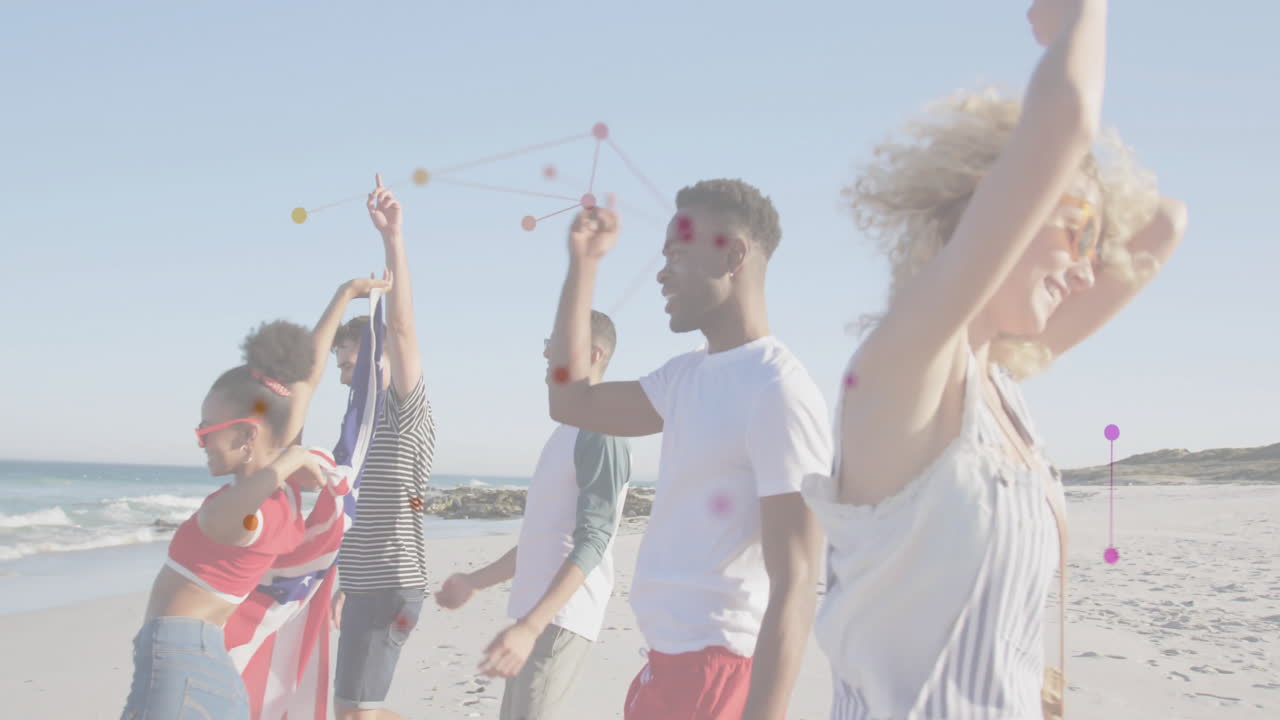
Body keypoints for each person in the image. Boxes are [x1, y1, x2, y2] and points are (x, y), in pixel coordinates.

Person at [800, 2, 1187, 718]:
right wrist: (1082, 14)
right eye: (1077, 237)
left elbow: (1166, 224)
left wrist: (1090, 208)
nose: (1087, 270)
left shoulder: (1000, 387)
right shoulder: (904, 370)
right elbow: (1066, 120)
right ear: (998, 206)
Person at [545, 185, 833, 720]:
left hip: (717, 674)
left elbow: (796, 581)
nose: (662, 273)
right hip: (666, 668)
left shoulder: (778, 391)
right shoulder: (684, 376)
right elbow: (570, 401)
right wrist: (583, 265)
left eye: (678, 255)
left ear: (732, 255)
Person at [120, 307, 384, 720]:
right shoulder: (282, 497)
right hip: (203, 664)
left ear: (246, 434)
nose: (201, 442)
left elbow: (225, 517)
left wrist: (291, 459)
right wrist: (344, 296)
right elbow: (306, 381)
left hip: (180, 665)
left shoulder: (255, 511)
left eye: (207, 431)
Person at [435, 311, 632, 720]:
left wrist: (533, 625)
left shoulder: (602, 431)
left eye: (556, 345)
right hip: (538, 619)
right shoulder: (567, 431)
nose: (546, 353)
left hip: (560, 619)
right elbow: (542, 542)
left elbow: (595, 539)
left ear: (593, 355)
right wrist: (474, 581)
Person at [331, 175, 437, 720]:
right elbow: (351, 511)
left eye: (350, 363)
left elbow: (402, 326)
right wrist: (342, 579)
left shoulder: (403, 407)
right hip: (362, 585)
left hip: (395, 583)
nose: (343, 376)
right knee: (347, 711)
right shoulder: (357, 430)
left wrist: (393, 238)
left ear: (379, 359)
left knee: (357, 715)